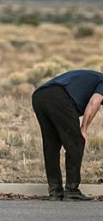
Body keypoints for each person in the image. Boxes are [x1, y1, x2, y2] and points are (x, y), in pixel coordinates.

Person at [32, 69, 103, 201]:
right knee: (77, 142)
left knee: (51, 145)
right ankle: (72, 190)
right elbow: (94, 102)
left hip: (39, 96)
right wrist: (84, 128)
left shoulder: (93, 79)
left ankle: (55, 191)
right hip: (58, 96)